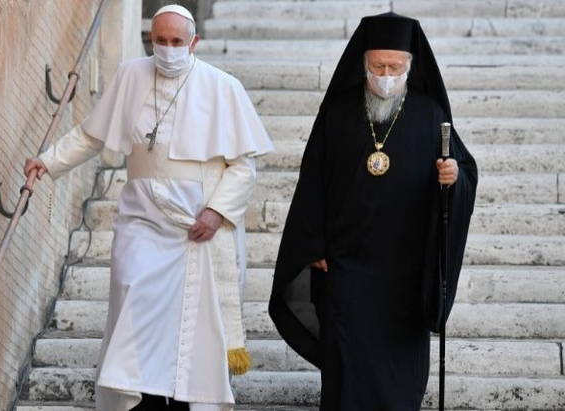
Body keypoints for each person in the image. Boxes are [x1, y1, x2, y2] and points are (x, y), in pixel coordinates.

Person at [25, 5, 273, 411]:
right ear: (150, 39)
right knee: (132, 291)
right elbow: (92, 135)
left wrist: (215, 213)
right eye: (161, 41)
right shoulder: (130, 75)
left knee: (187, 328)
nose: (169, 50)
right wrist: (48, 161)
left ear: (194, 43)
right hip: (142, 218)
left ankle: (180, 401)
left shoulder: (221, 85)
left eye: (178, 42)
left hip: (194, 225)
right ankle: (137, 399)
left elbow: (243, 168)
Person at [268, 12, 478, 410]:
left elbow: (463, 170)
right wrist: (313, 244)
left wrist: (454, 177)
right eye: (378, 66)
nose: (385, 75)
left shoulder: (430, 114)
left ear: (409, 67)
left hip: (406, 274)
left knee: (399, 379)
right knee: (347, 371)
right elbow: (313, 180)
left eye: (394, 67)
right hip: (346, 269)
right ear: (363, 65)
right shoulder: (338, 113)